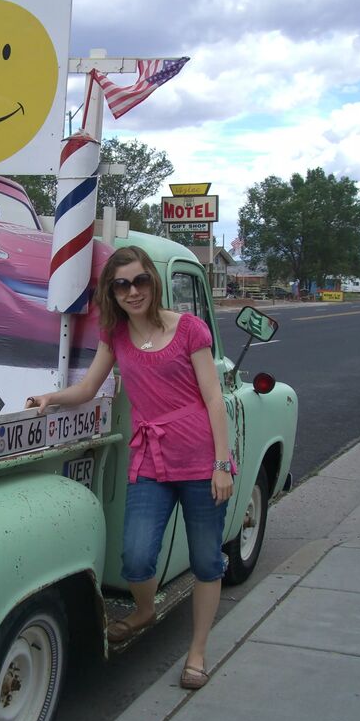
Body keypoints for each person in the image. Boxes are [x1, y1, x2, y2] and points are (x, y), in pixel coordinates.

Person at [26, 246, 234, 690]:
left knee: (206, 560)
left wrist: (222, 464)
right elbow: (88, 388)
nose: (133, 291)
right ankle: (144, 610)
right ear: (112, 292)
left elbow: (214, 399)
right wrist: (51, 398)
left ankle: (197, 652)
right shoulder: (115, 335)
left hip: (201, 460)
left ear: (152, 282)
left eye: (140, 281)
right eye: (122, 285)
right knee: (136, 556)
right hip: (152, 460)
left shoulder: (188, 328)